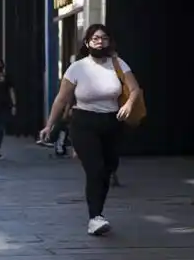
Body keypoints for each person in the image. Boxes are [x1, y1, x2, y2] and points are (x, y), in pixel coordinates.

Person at [40, 24, 141, 236]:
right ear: (87, 42)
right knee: (94, 168)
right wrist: (50, 124)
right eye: (95, 38)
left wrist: (128, 105)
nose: (100, 42)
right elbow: (61, 99)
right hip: (84, 122)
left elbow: (134, 89)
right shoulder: (77, 68)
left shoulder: (117, 64)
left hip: (112, 122)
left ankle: (98, 214)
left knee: (108, 168)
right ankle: (95, 217)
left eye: (104, 38)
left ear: (109, 42)